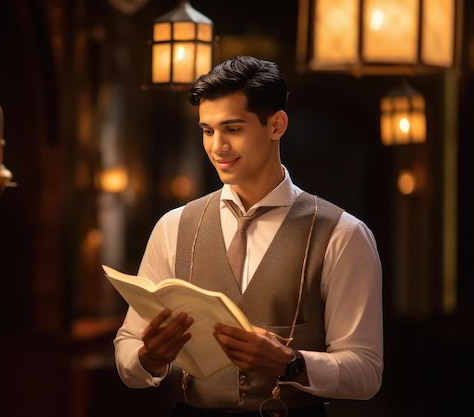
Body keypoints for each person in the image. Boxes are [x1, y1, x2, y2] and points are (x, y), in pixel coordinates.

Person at [113, 56, 383, 416]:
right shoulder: (173, 226)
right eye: (208, 131)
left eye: (233, 129)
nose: (217, 147)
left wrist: (291, 362)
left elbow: (366, 373)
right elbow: (127, 347)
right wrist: (148, 358)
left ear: (276, 125)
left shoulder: (342, 235)